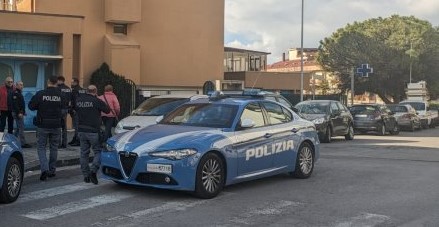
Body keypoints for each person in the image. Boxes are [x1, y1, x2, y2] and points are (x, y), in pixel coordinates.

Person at [28, 76, 65, 181]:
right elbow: (65, 107)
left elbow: (31, 106)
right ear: (56, 83)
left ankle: (44, 169)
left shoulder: (40, 94)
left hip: (43, 125)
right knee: (54, 148)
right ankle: (52, 170)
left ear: (48, 82)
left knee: (41, 147)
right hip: (56, 125)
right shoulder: (61, 95)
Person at [76, 85, 110, 184]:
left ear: (87, 91)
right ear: (95, 91)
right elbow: (107, 110)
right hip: (93, 131)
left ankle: (86, 176)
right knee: (98, 151)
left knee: (83, 153)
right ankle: (93, 171)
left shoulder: (79, 100)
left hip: (81, 130)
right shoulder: (97, 101)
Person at [12, 81, 31, 148]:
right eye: (20, 85)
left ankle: (12, 140)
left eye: (22, 85)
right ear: (16, 86)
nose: (22, 86)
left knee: (18, 128)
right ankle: (23, 143)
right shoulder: (15, 93)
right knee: (21, 128)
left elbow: (21, 104)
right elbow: (15, 104)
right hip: (17, 113)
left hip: (20, 112)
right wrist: (19, 113)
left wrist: (23, 112)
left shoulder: (19, 93)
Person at [68, 77, 85, 146]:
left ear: (76, 82)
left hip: (76, 110)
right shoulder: (82, 90)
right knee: (79, 125)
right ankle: (75, 138)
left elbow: (74, 101)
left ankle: (78, 140)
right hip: (82, 110)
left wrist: (72, 109)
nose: (71, 83)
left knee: (76, 126)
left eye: (72, 82)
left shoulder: (74, 90)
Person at [57, 76, 72, 148]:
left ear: (60, 81)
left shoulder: (58, 88)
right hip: (65, 109)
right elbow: (70, 99)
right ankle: (64, 143)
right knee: (64, 126)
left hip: (59, 109)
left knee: (58, 126)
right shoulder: (68, 89)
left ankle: (58, 143)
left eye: (57, 80)